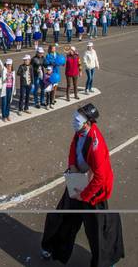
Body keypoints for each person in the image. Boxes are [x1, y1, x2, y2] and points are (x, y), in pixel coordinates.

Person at [40, 103, 124, 266]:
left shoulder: (96, 145)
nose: (74, 121)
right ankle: (51, 247)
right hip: (78, 180)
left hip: (94, 191)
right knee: (62, 217)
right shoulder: (80, 132)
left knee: (98, 229)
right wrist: (72, 165)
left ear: (88, 122)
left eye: (77, 119)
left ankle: (105, 261)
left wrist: (84, 195)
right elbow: (73, 148)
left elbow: (99, 178)